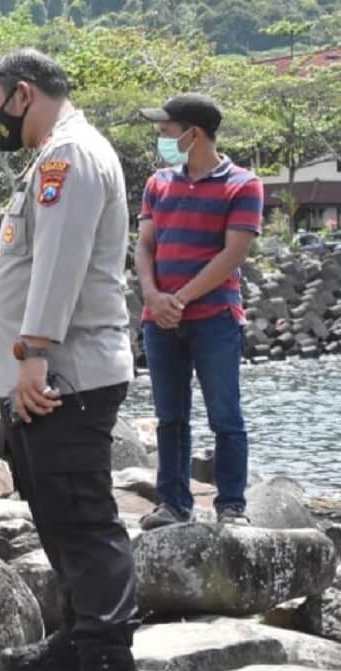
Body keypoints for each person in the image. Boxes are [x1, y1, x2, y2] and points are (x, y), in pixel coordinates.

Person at [0, 49, 139, 671]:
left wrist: (34, 352)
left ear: (23, 94)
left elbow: (60, 263)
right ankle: (78, 635)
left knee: (81, 515)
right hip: (49, 372)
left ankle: (105, 651)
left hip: (63, 371)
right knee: (55, 511)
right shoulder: (53, 156)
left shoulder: (69, 155)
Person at [136, 95, 263, 529]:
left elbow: (234, 254)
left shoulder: (243, 184)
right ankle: (172, 503)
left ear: (193, 133)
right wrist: (153, 296)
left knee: (225, 414)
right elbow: (144, 246)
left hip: (214, 318)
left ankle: (231, 505)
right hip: (160, 319)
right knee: (170, 416)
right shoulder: (157, 183)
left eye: (167, 128)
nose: (162, 136)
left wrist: (181, 298)